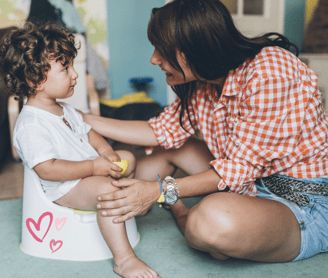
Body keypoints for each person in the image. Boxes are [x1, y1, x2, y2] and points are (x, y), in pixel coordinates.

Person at [83, 0, 328, 264]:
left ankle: (181, 214)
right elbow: (159, 131)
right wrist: (81, 119)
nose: (154, 59)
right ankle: (121, 201)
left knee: (209, 224)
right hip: (250, 186)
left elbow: (236, 170)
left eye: (162, 50)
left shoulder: (271, 71)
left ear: (197, 47)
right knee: (171, 150)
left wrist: (158, 192)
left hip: (304, 201)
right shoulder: (204, 83)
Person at [0, 22, 159, 278]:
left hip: (88, 173)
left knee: (128, 157)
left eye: (72, 65)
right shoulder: (30, 124)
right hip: (65, 187)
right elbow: (48, 169)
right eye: (65, 68)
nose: (75, 75)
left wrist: (107, 153)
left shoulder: (65, 109)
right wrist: (95, 167)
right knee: (108, 191)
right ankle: (125, 259)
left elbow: (91, 134)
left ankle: (126, 205)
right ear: (35, 79)